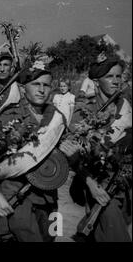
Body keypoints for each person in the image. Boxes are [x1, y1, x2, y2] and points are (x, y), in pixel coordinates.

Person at [0, 61, 77, 242]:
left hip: (49, 196)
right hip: (16, 195)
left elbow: (65, 159)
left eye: (46, 85)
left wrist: (73, 156)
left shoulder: (57, 117)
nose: (42, 90)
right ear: (22, 88)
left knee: (51, 235)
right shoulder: (7, 115)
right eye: (36, 84)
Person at [65, 55, 132, 242]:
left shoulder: (127, 108)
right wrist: (92, 186)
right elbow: (73, 156)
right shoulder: (83, 112)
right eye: (110, 76)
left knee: (105, 231)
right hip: (95, 183)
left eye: (119, 76)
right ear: (96, 81)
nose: (116, 81)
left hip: (124, 184)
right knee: (116, 235)